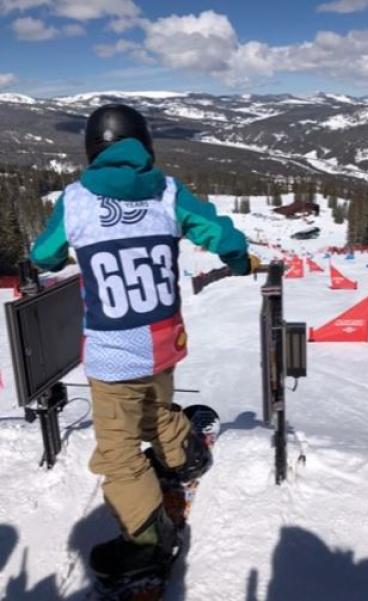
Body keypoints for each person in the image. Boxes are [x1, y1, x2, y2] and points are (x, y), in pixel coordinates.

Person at [28, 104, 260, 578]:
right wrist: (238, 259)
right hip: (163, 342)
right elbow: (219, 233)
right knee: (155, 409)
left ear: (93, 150)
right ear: (144, 145)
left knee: (118, 453)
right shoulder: (169, 191)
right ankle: (186, 455)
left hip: (114, 352)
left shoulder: (75, 201)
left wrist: (54, 260)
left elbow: (44, 255)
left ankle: (149, 542)